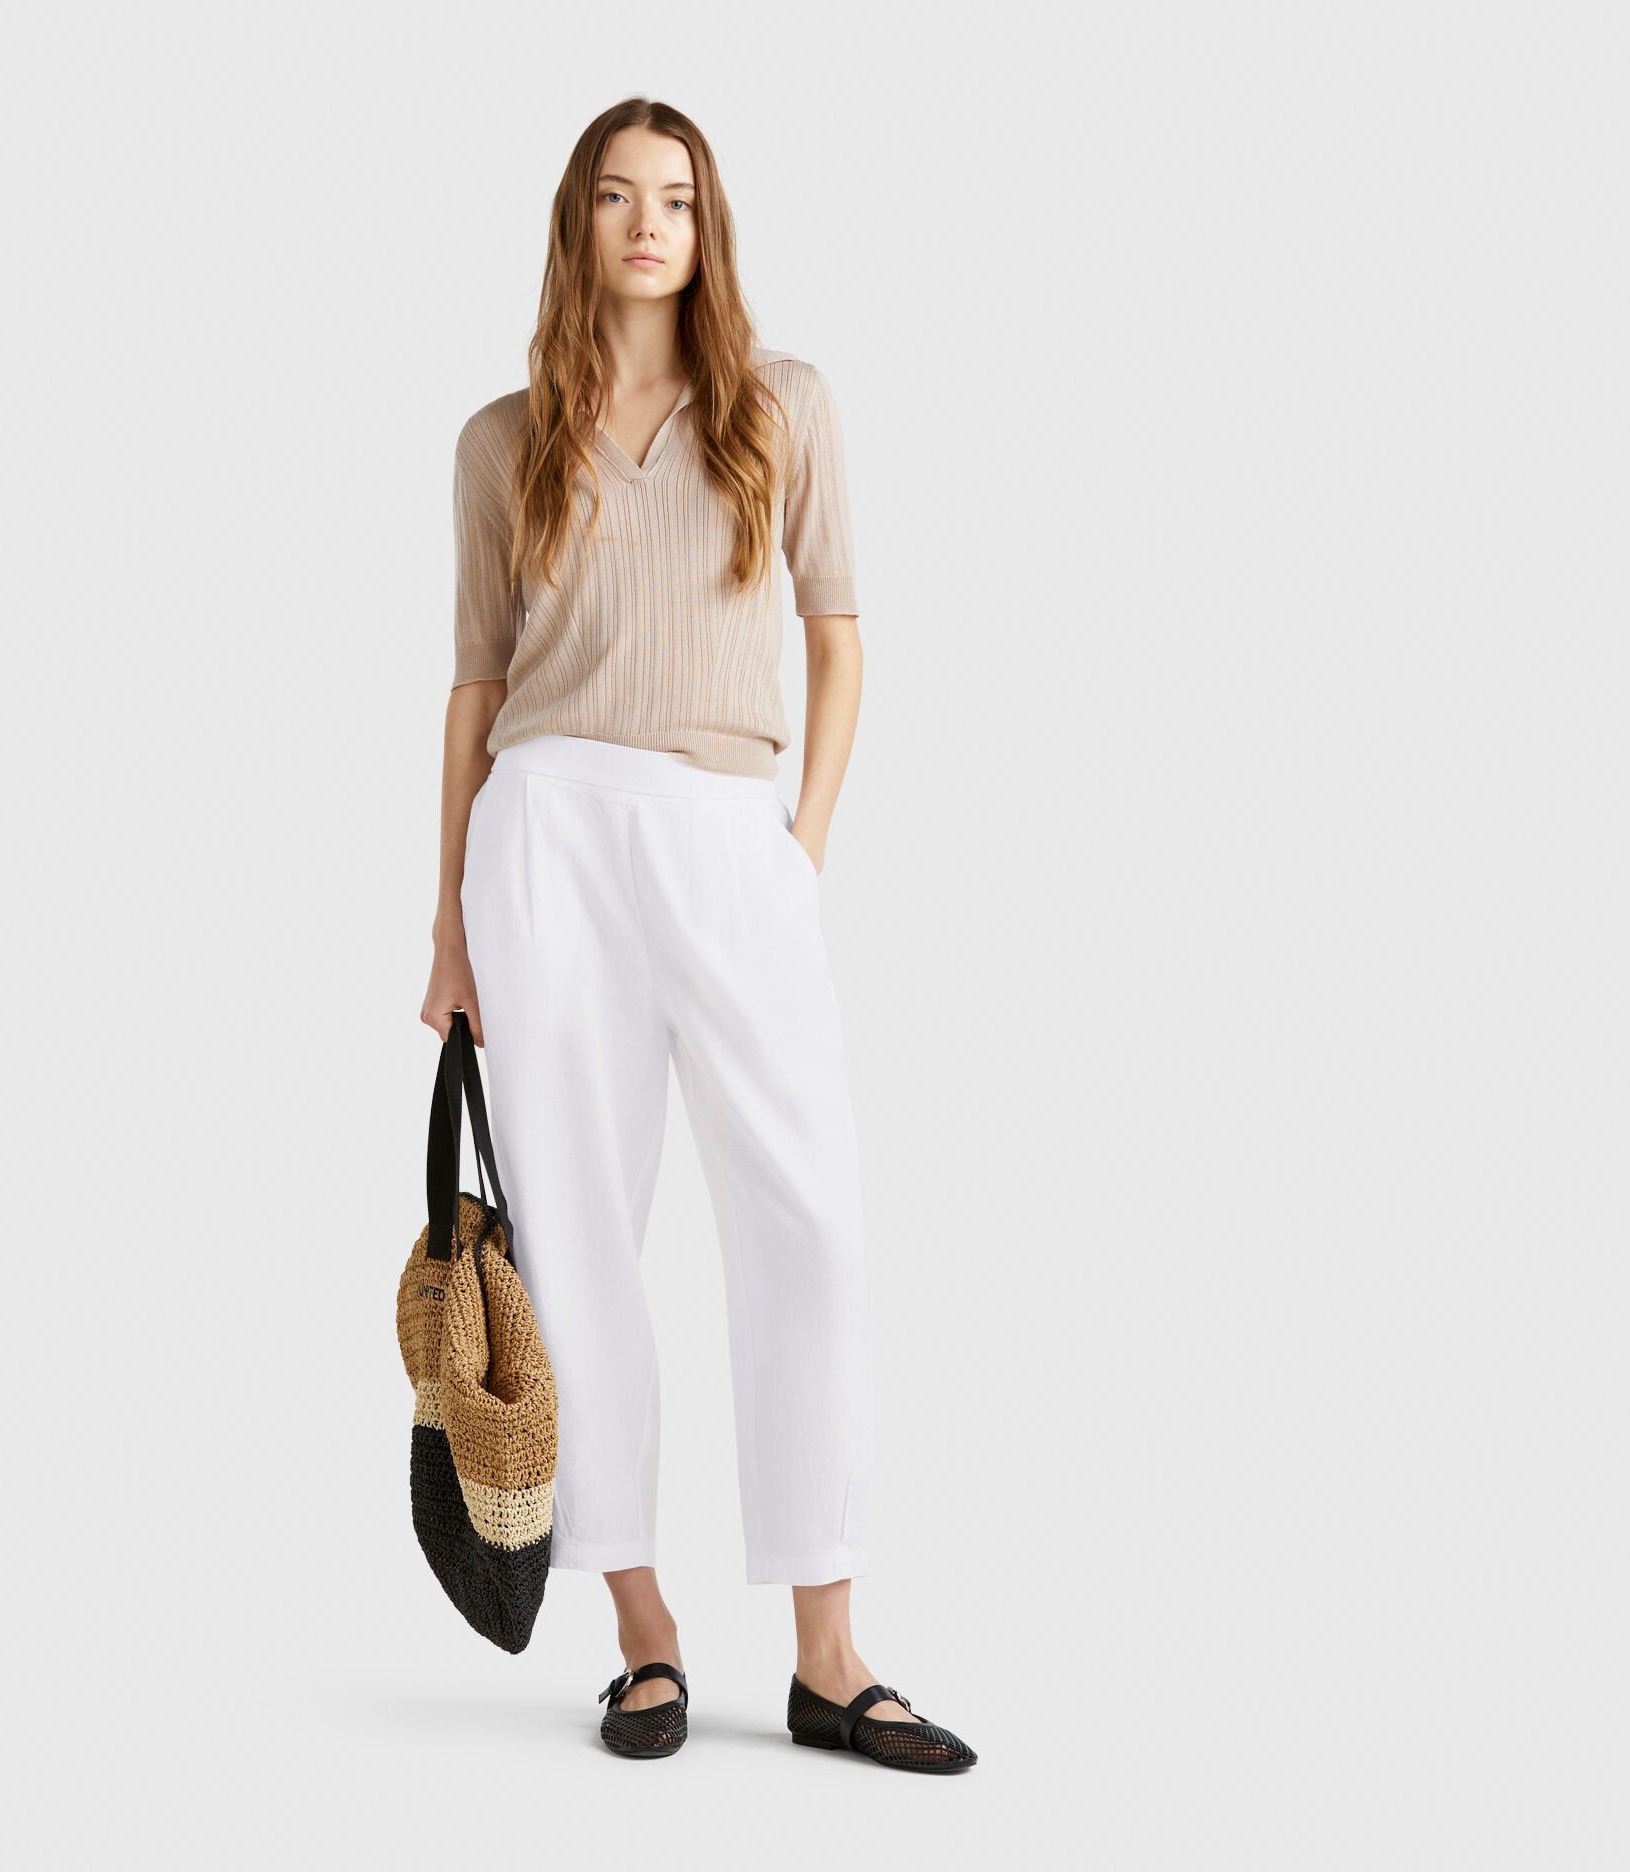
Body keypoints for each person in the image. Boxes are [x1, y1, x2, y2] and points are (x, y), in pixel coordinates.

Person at [421, 98, 977, 1774]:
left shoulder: (780, 408)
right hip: (548, 834)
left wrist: (801, 848)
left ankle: (830, 1654)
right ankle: (644, 1636)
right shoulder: (503, 440)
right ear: (577, 223)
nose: (647, 221)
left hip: (733, 837)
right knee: (579, 1231)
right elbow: (474, 689)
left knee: (810, 1220)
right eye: (616, 195)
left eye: (674, 196)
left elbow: (841, 640)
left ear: (707, 223)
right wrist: (447, 926)